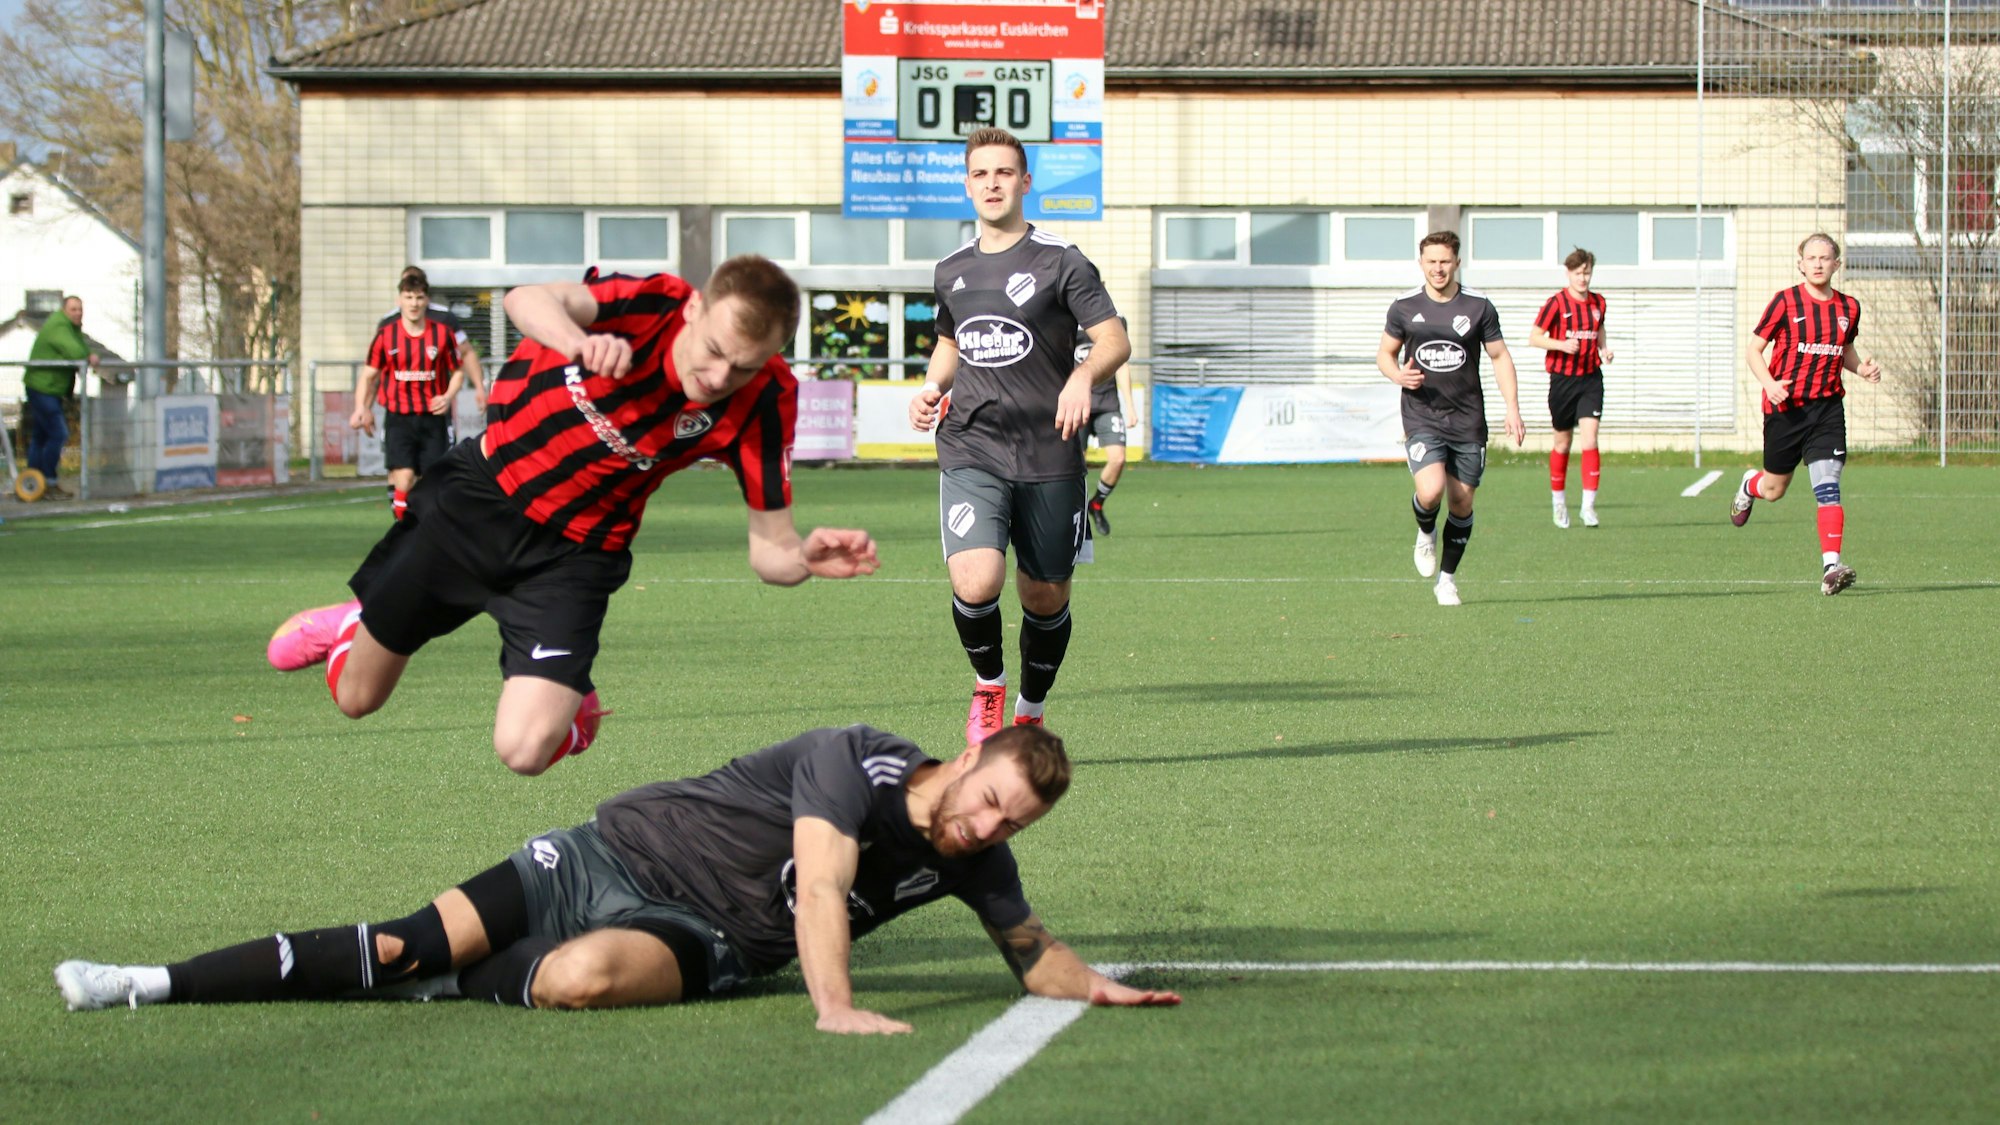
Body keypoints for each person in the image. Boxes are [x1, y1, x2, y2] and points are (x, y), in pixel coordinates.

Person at [53, 723, 1180, 1032]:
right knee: (401, 938)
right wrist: (833, 1008)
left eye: (1011, 822)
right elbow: (824, 885)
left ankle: (442, 984)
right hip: (605, 857)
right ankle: (149, 981)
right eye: (989, 800)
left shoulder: (975, 862)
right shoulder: (858, 763)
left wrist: (1096, 986)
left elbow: (1034, 958)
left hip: (704, 939)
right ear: (969, 754)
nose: (987, 828)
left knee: (582, 981)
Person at [266, 255, 880, 775]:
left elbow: (769, 546)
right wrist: (578, 341)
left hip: (576, 556)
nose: (720, 377)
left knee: (526, 749)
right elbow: (527, 298)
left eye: (744, 365)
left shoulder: (768, 399)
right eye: (716, 351)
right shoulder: (647, 305)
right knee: (356, 700)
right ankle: (356, 620)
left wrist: (801, 558)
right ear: (694, 309)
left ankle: (567, 701)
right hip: (476, 501)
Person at [908, 128, 1131, 746]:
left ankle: (1030, 710)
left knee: (1044, 593)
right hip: (972, 444)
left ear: (1025, 182)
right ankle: (989, 689)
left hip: (1050, 452)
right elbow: (952, 339)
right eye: (980, 175)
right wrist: (931, 386)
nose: (992, 184)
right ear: (967, 184)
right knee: (976, 581)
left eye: (1004, 173)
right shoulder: (951, 270)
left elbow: (1114, 338)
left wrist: (1084, 376)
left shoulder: (1062, 259)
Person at [1376, 231, 1525, 606]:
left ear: (1457, 262)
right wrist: (1397, 375)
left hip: (1468, 419)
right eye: (1431, 262)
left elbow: (1500, 356)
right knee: (1430, 490)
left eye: (1445, 261)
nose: (1438, 268)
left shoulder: (1479, 306)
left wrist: (1512, 406)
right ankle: (1425, 532)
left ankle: (1447, 580)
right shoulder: (1404, 307)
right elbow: (1385, 355)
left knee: (1461, 503)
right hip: (1422, 414)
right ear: (1421, 263)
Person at [1731, 233, 1883, 596]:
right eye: (1811, 257)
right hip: (1786, 409)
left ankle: (1831, 567)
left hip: (1827, 409)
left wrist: (1861, 369)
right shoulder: (1785, 302)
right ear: (1800, 263)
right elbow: (1754, 350)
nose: (1817, 263)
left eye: (1825, 258)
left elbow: (1843, 349)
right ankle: (1749, 485)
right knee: (1774, 489)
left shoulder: (1849, 308)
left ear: (1836, 264)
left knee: (1828, 488)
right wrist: (1769, 383)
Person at [353, 270, 465, 520]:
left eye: (419, 298)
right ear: (399, 300)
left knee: (431, 479)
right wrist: (361, 407)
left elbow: (458, 372)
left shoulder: (442, 334)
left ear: (426, 300)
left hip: (432, 418)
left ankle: (423, 528)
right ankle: (403, 529)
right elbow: (369, 376)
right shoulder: (386, 335)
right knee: (403, 476)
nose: (414, 304)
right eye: (408, 297)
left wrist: (447, 396)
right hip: (399, 417)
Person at [1528, 248, 1614, 529]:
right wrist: (1561, 344)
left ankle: (1589, 507)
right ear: (1569, 273)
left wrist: (1604, 350)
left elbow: (1599, 329)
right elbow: (1535, 337)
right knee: (1562, 443)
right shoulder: (1556, 303)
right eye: (1578, 273)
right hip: (1562, 381)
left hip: (1590, 379)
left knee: (1590, 439)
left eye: (1587, 272)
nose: (1583, 278)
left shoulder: (1599, 302)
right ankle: (1559, 503)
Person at [379, 266, 486, 409]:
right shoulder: (389, 322)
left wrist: (479, 387)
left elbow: (466, 351)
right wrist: (364, 406)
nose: (414, 300)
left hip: (436, 401)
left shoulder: (443, 317)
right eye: (408, 287)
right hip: (399, 408)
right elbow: (374, 368)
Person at [22, 295, 97, 500]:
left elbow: (79, 346)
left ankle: (32, 483)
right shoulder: (58, 326)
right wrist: (88, 356)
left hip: (50, 389)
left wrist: (86, 352)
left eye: (80, 309)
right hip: (42, 388)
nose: (78, 313)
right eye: (73, 309)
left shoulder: (71, 328)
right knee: (58, 433)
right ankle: (49, 481)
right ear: (64, 310)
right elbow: (74, 350)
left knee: (40, 436)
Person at [1079, 318, 1134, 536]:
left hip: (1107, 404)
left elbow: (1121, 363)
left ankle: (1097, 503)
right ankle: (1077, 515)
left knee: (1118, 459)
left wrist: (1130, 406)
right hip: (1078, 404)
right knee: (1074, 468)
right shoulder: (1065, 320)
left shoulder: (1115, 322)